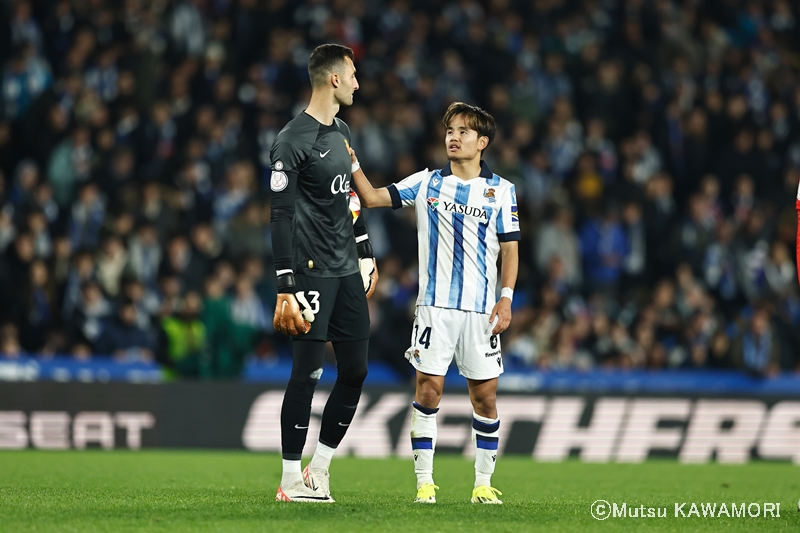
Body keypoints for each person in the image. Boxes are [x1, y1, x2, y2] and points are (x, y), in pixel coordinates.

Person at [350, 102, 519, 505]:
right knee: (428, 392)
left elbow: (510, 250)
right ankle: (425, 483)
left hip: (481, 311)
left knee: (486, 398)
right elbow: (372, 198)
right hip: (435, 308)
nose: (453, 137)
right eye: (449, 130)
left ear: (483, 142)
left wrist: (506, 298)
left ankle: (482, 485)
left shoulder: (501, 190)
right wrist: (353, 163)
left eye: (463, 131)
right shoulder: (427, 182)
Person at [270, 43, 378, 503]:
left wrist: (365, 247)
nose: (357, 82)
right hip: (311, 273)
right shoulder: (293, 140)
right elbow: (280, 217)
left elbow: (348, 200)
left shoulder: (341, 131)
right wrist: (285, 287)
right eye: (352, 74)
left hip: (347, 271)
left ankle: (320, 468)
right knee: (308, 374)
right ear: (333, 79)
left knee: (355, 370)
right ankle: (291, 480)